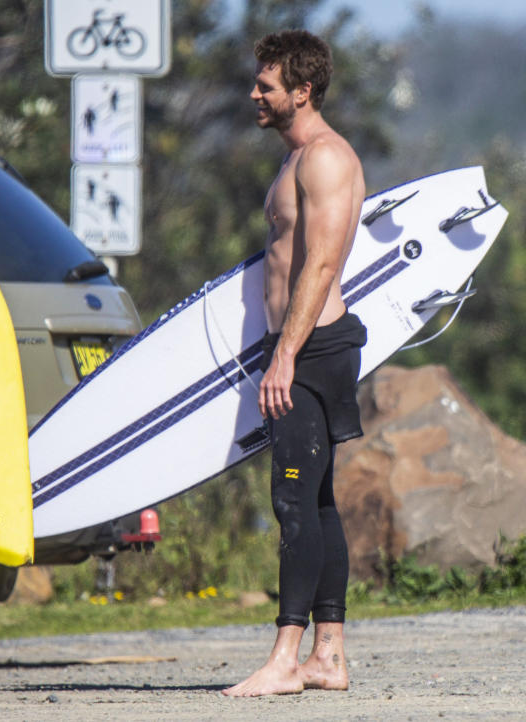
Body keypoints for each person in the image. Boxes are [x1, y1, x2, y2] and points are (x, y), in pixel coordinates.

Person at [222, 29, 367, 698]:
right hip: (299, 346)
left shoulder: (325, 159)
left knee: (292, 500)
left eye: (267, 85)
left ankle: (284, 659)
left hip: (310, 349)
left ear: (302, 91)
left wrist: (283, 355)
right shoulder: (295, 159)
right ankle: (328, 657)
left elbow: (323, 263)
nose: (255, 92)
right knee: (317, 500)